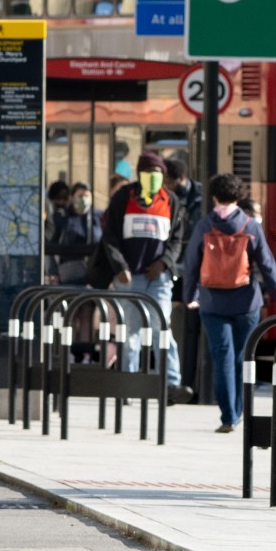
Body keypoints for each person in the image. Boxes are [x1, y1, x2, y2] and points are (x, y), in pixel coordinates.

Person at [182, 175, 276, 433]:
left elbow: (191, 265)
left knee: (222, 359)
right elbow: (267, 265)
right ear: (238, 197)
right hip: (246, 304)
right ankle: (240, 410)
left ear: (214, 197)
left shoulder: (205, 225)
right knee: (242, 358)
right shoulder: (250, 227)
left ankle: (229, 416)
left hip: (212, 303)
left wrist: (190, 297)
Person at [95, 151, 190, 403]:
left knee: (163, 331)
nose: (154, 178)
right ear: (139, 174)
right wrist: (120, 267)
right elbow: (110, 237)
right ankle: (128, 384)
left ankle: (170, 384)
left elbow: (177, 239)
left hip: (158, 279)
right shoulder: (121, 199)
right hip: (129, 277)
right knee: (131, 333)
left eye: (158, 174)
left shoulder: (170, 201)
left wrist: (164, 263)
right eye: (149, 174)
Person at [48, 180, 102, 285]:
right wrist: (53, 271)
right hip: (70, 273)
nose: (83, 199)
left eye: (86, 196)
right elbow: (52, 246)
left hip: (94, 275)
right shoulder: (62, 217)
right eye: (80, 195)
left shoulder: (98, 216)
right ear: (72, 198)